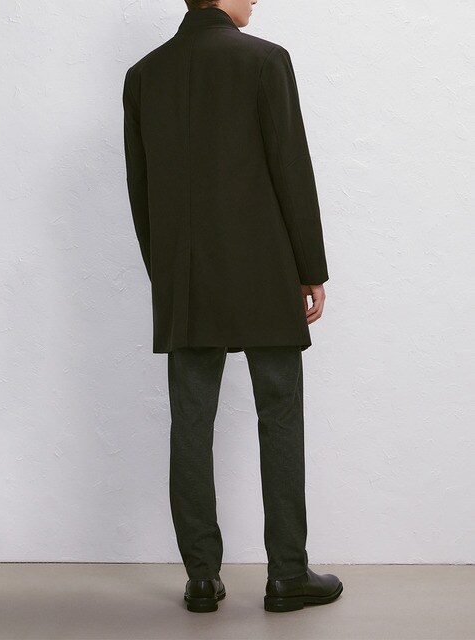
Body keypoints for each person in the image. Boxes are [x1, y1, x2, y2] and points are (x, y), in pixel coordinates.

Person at [122, 0, 343, 613]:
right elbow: (290, 167)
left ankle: (201, 578)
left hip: (187, 278)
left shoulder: (144, 75)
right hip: (265, 269)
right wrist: (311, 268)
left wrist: (167, 275)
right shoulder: (266, 61)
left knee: (191, 423)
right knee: (281, 414)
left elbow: (142, 190)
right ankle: (287, 575)